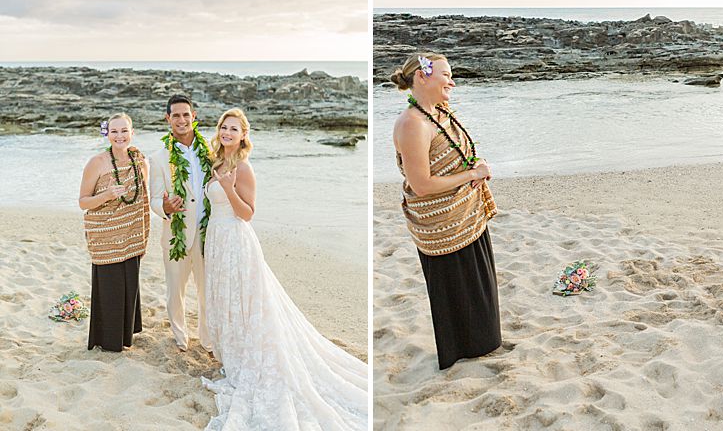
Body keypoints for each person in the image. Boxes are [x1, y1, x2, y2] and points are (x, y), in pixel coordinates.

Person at [201, 108, 367, 430]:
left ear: (243, 135)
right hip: (217, 241)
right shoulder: (215, 163)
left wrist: (230, 187)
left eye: (234, 129)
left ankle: (246, 359)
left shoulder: (243, 169)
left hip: (237, 240)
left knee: (247, 303)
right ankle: (231, 355)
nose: (227, 133)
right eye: (224, 127)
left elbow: (247, 214)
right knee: (226, 300)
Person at [392, 52, 500, 370]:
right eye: (445, 74)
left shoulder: (438, 112)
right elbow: (421, 184)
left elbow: (459, 152)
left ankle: (483, 346)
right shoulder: (411, 124)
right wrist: (471, 175)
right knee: (456, 289)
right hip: (440, 224)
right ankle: (465, 354)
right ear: (423, 77)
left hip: (466, 213)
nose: (452, 80)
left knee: (479, 285)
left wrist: (475, 165)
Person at [78, 113, 150, 352]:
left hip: (130, 232)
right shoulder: (97, 163)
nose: (120, 136)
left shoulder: (139, 161)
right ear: (107, 134)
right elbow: (83, 202)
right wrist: (107, 196)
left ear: (132, 133)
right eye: (115, 131)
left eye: (124, 131)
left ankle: (127, 335)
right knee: (110, 285)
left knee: (129, 281)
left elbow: (143, 197)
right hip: (105, 234)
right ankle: (108, 340)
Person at [147, 94, 213, 352]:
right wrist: (164, 207)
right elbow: (154, 199)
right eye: (176, 115)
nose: (182, 120)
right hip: (176, 235)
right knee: (176, 291)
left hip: (207, 233)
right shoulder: (159, 158)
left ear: (194, 116)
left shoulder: (209, 151)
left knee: (207, 291)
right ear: (168, 119)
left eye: (186, 114)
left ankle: (207, 339)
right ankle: (180, 337)